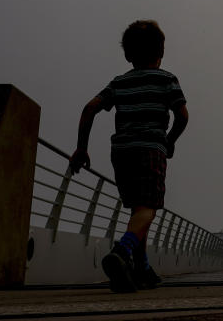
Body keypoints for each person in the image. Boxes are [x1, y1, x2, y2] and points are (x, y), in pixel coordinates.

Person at [69, 20, 189, 293]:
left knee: (138, 209)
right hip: (150, 149)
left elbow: (89, 109)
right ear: (161, 54)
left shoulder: (119, 82)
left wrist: (81, 148)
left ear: (127, 55)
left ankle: (142, 268)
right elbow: (182, 116)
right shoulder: (167, 79)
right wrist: (169, 141)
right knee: (148, 208)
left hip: (121, 153)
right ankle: (121, 253)